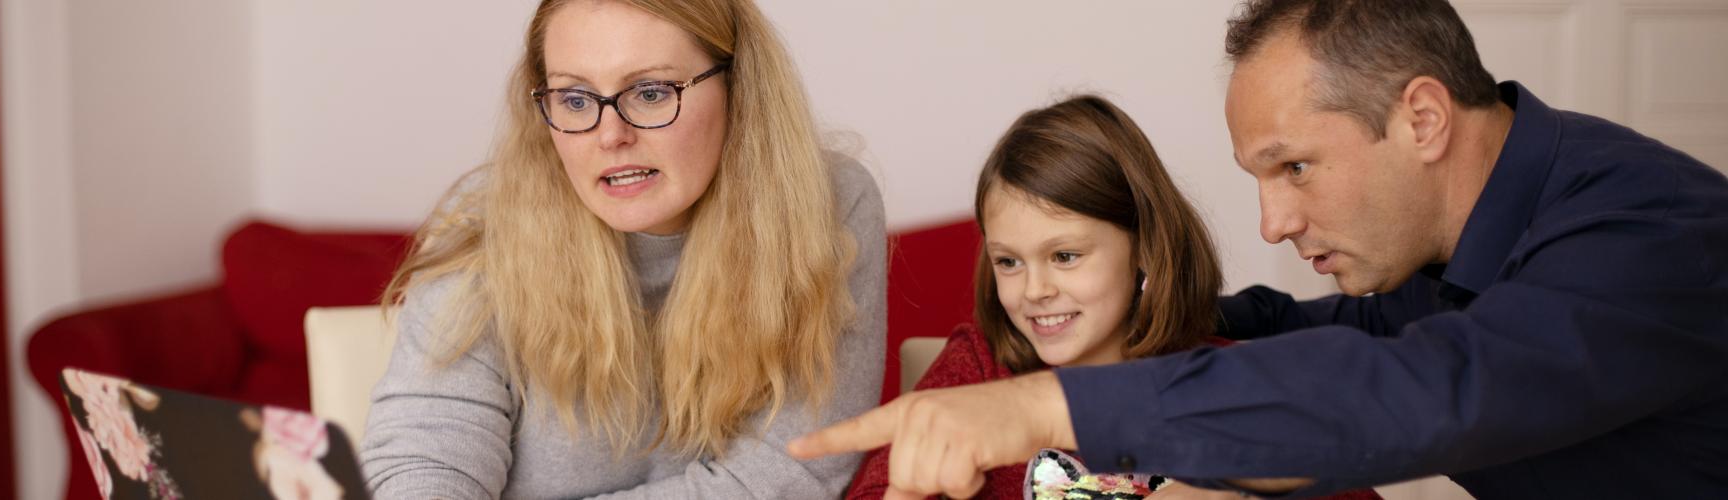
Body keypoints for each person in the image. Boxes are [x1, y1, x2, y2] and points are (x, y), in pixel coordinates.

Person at [790, 0, 1728, 498]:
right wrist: (1124, 316)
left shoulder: (1647, 234)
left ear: (1424, 118)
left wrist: (1054, 402)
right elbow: (1303, 329)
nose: (1274, 224)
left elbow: (1421, 390)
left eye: (1296, 168)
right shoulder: (1438, 259)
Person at [360, 0, 888, 497]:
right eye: (575, 98)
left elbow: (792, 472)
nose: (610, 135)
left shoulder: (830, 205)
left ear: (740, 89)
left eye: (652, 92)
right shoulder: (484, 218)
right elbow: (426, 458)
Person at [843, 96, 1379, 500]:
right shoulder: (978, 368)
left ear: (1144, 247)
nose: (1035, 290)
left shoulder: (1230, 384)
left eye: (1066, 256)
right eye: (1009, 261)